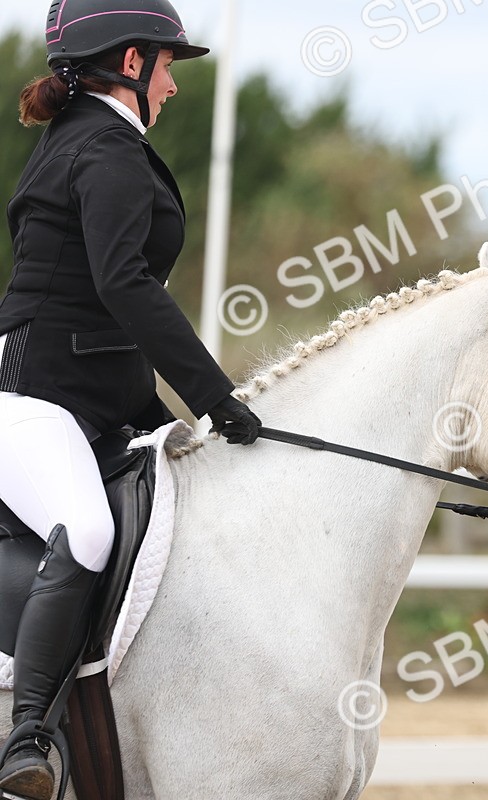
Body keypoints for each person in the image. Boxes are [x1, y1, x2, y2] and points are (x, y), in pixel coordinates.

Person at [0, 1, 261, 796]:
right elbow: (122, 288)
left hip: (84, 394)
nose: (175, 88)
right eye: (171, 67)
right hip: (32, 395)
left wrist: (164, 421)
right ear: (133, 62)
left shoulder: (93, 141)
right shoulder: (104, 149)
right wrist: (217, 398)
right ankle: (28, 739)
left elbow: (96, 316)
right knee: (84, 529)